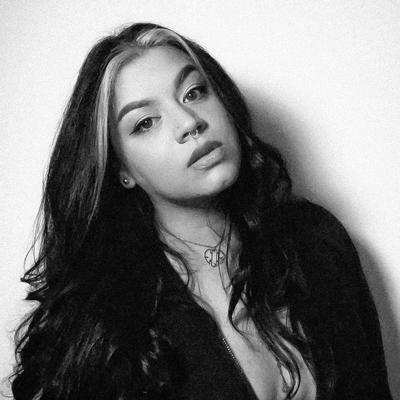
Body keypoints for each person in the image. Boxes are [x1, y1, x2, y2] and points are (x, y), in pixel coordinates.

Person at [11, 23, 392, 400]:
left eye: (194, 92)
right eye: (145, 123)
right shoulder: (102, 318)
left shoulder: (317, 241)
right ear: (121, 169)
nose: (190, 122)